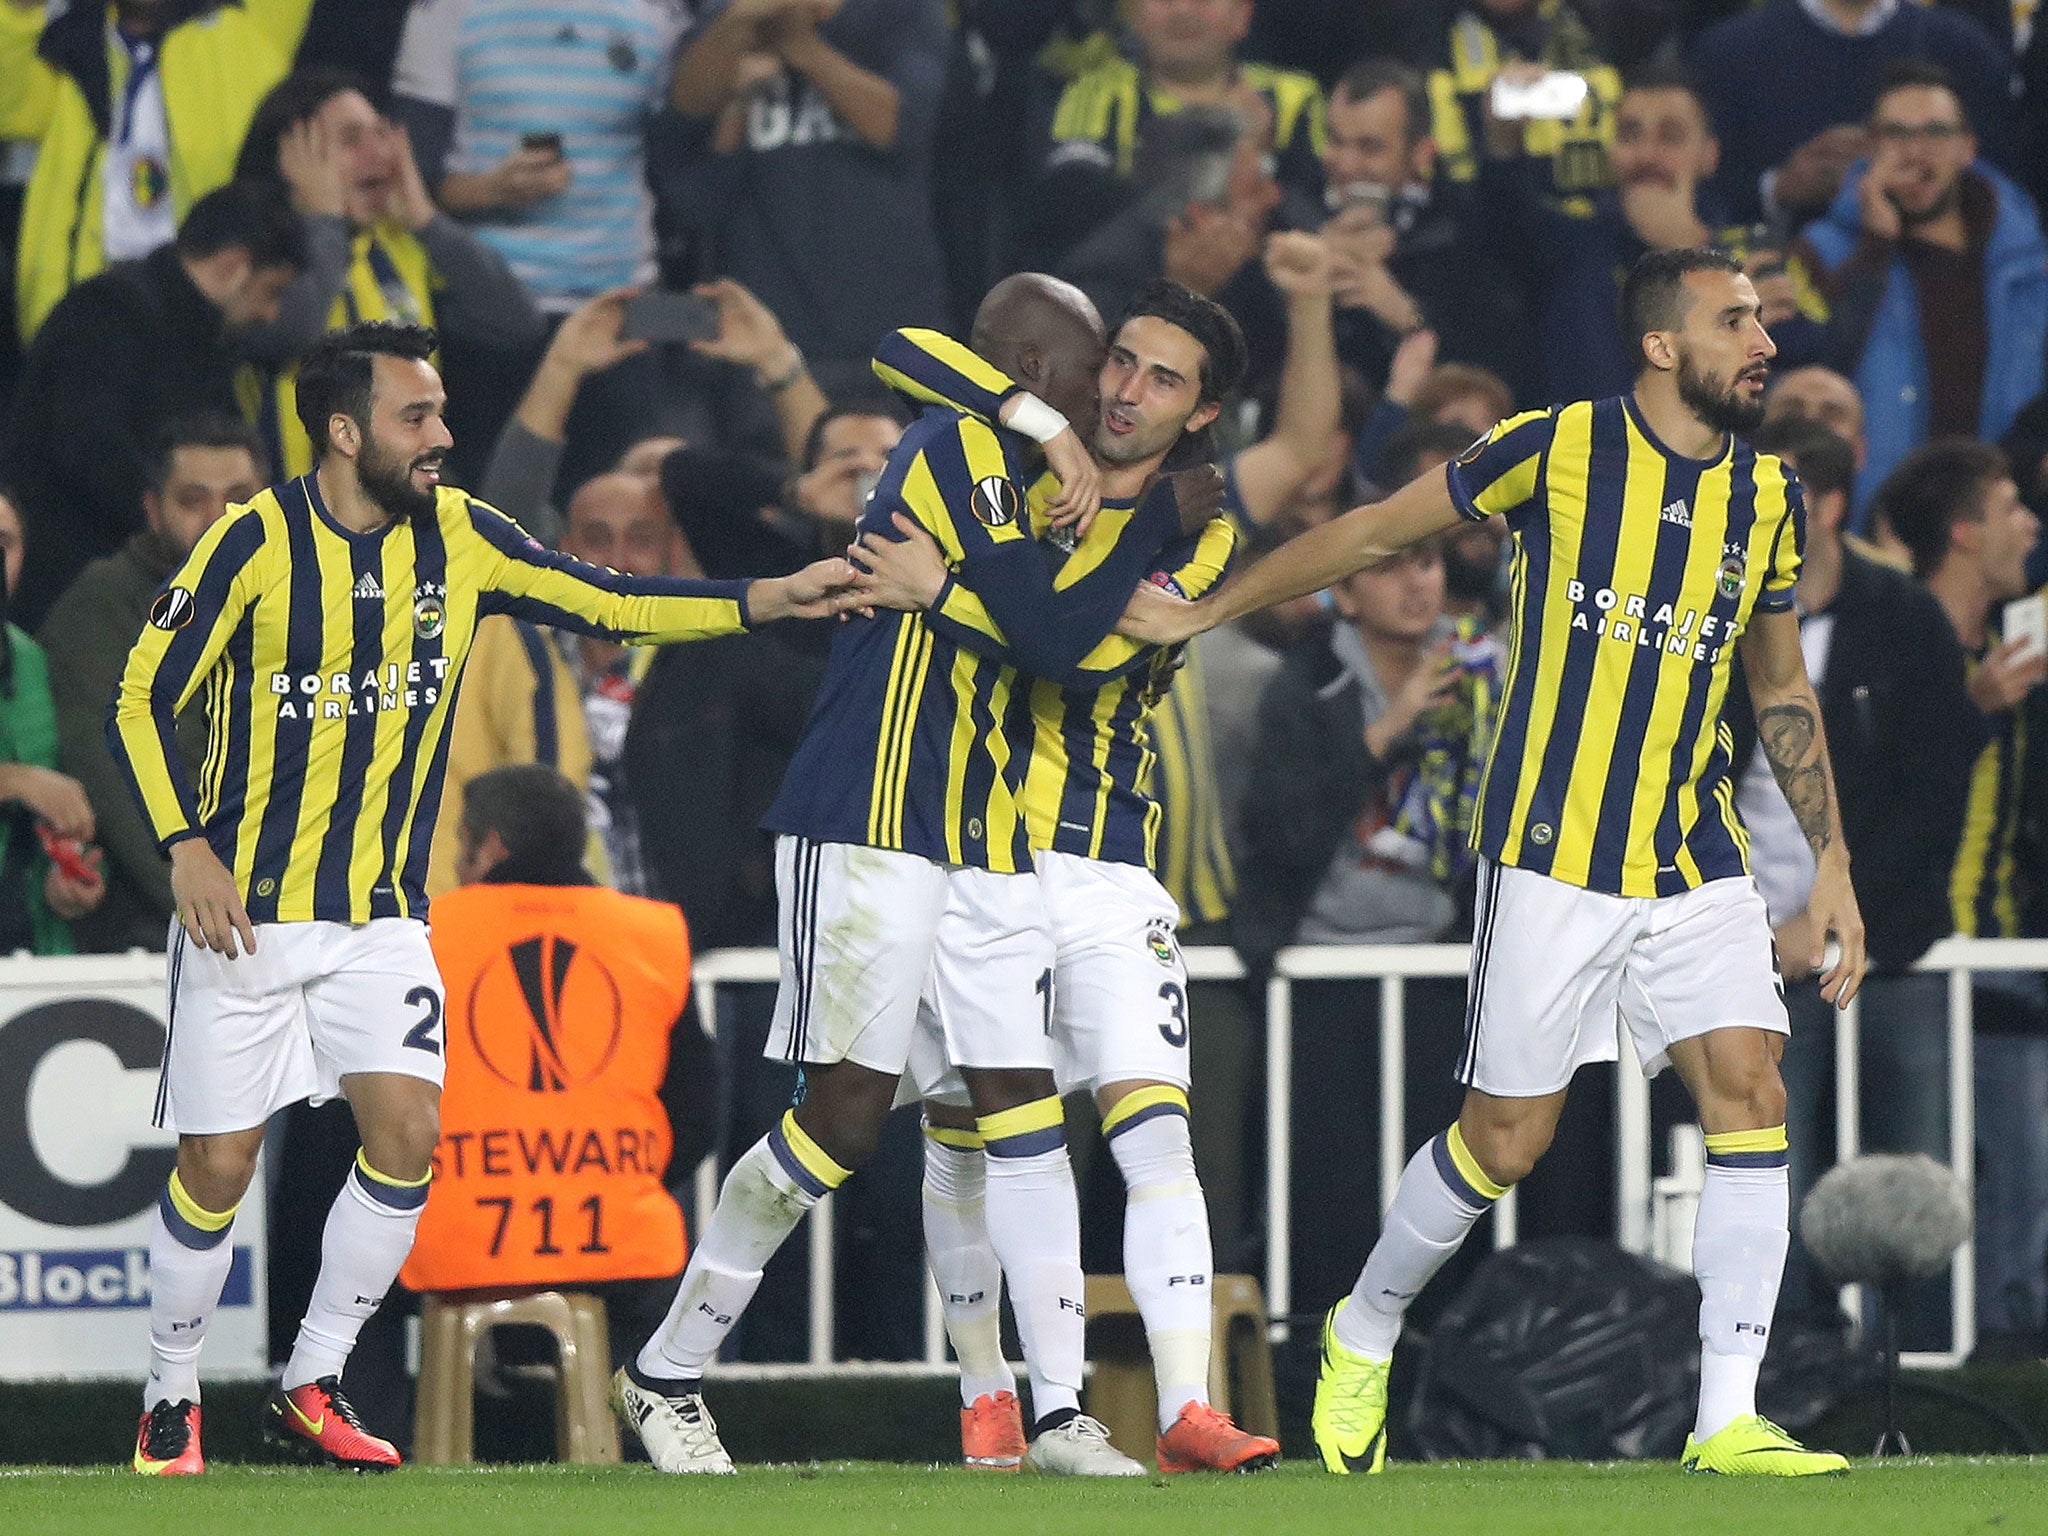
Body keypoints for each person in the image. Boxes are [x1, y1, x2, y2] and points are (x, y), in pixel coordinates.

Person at [1118, 246, 1867, 1477]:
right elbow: (1368, 532)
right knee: (1500, 1142)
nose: (1762, 339)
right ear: (1662, 346)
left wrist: (1826, 864)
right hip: (1549, 857)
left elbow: (1777, 685)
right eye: (1732, 320)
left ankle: (1724, 1416)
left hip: (1692, 852)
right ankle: (1362, 1327)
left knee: (1750, 1088)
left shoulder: (1767, 498)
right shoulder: (1553, 446)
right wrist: (1207, 610)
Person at [106, 318, 849, 1477]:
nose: (443, 436)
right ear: (344, 431)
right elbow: (142, 694)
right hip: (246, 911)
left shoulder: (462, 536)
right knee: (218, 1165)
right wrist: (185, 846)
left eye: (442, 411)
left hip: (386, 914)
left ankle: (312, 1377)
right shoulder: (252, 544)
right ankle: (169, 1393)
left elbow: (612, 600)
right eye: (418, 417)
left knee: (408, 1141)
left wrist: (766, 598)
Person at [612, 274, 1202, 1478]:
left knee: (1018, 1113)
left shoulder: (1028, 482)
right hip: (870, 815)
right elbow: (1038, 624)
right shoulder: (951, 447)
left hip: (975, 837)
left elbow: (1030, 622)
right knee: (835, 1120)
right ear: (1033, 373)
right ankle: (664, 1372)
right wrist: (1068, 502)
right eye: (1087, 372)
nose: (1106, 394)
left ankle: (1054, 1414)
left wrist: (1001, 564)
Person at [850, 280, 1281, 1473]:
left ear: (1202, 413)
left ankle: (1183, 1407)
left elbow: (1078, 662)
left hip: (1103, 865)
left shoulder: (1202, 532)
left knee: (1151, 1132)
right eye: (1121, 363)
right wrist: (1034, 425)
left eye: (1160, 378)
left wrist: (944, 592)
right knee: (968, 1138)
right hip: (968, 853)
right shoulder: (1017, 457)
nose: (1126, 391)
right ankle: (1004, 1391)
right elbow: (895, 340)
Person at [1726, 422, 1982, 1334]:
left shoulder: (1906, 619)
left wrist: (1834, 922)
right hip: (1748, 959)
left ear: (1828, 507)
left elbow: (1932, 801)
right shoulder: (1715, 618)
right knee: (1764, 1170)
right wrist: (1753, 929)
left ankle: (1926, 1363)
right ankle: (1780, 1362)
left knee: (1917, 1178)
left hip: (1893, 953)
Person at [401, 764, 715, 1361]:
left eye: (461, 849)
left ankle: (369, 1428)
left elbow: (367, 1112)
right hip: (622, 1249)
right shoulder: (652, 933)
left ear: (489, 846)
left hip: (449, 1242)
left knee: (344, 1244)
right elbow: (698, 1110)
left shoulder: (420, 937)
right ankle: (631, 1432)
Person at [1878, 438, 2048, 1359]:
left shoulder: (2019, 641)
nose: (2031, 523)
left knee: (2021, 1187)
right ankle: (1929, 1363)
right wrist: (1966, 708)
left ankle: (2005, 1358)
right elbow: (1876, 793)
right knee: (1933, 1185)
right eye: (2012, 505)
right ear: (1963, 530)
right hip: (1918, 959)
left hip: (2008, 956)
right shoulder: (1896, 643)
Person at [0, 181, 305, 628]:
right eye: (272, 291)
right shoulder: (108, 313)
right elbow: (83, 451)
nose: (270, 314)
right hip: (67, 592)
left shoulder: (197, 336)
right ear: (234, 267)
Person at [232, 68, 545, 479]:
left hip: (402, 511)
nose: (378, 154)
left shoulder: (399, 244)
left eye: (381, 135)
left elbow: (519, 323)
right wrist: (325, 221)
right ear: (293, 158)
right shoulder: (253, 249)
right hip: (293, 516)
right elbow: (288, 336)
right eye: (350, 139)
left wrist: (427, 221)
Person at [40, 414, 265, 953]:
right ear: (152, 510)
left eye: (239, 499)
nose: (218, 520)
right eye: (193, 500)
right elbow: (116, 781)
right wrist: (226, 919)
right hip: (156, 919)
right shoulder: (102, 604)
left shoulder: (297, 594)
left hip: (279, 907)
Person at [1788, 63, 2047, 512]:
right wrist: (1875, 245)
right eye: (1896, 134)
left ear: (1968, 148)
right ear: (1869, 148)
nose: (1914, 152)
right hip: (1865, 524)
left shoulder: (2029, 266)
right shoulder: (1818, 254)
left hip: (1992, 532)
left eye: (1935, 133)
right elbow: (1805, 374)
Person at [666, 0, 951, 385]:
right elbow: (684, 111)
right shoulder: (723, 19)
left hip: (893, 330)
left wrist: (802, 48)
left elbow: (903, 131)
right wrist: (741, 18)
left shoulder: (903, 13)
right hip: (762, 327)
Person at [0, 0, 312, 340]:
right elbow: (8, 96)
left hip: (207, 318)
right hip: (83, 321)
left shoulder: (248, 33)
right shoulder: (68, 47)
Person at [1035, 0, 1325, 265]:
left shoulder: (1293, 99)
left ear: (1242, 14)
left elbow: (1320, 208)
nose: (1183, 10)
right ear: (1133, 13)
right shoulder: (1096, 93)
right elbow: (1071, 212)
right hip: (1135, 281)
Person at [1688, 0, 2017, 226]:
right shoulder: (1727, 53)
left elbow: (2003, 182)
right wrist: (1778, 188)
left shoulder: (1964, 49)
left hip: (1938, 292)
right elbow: (1698, 186)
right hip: (1774, 290)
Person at [1318, 58, 1533, 402]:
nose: (1346, 164)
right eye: (1335, 141)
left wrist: (1406, 313)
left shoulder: (1463, 228)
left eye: (1369, 148)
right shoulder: (1291, 212)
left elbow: (1497, 361)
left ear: (1421, 153)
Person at [0, 484, 105, 953]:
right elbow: (33, 785)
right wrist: (18, 780)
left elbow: (35, 829)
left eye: (4, 544)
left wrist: (59, 886)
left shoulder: (31, 660)